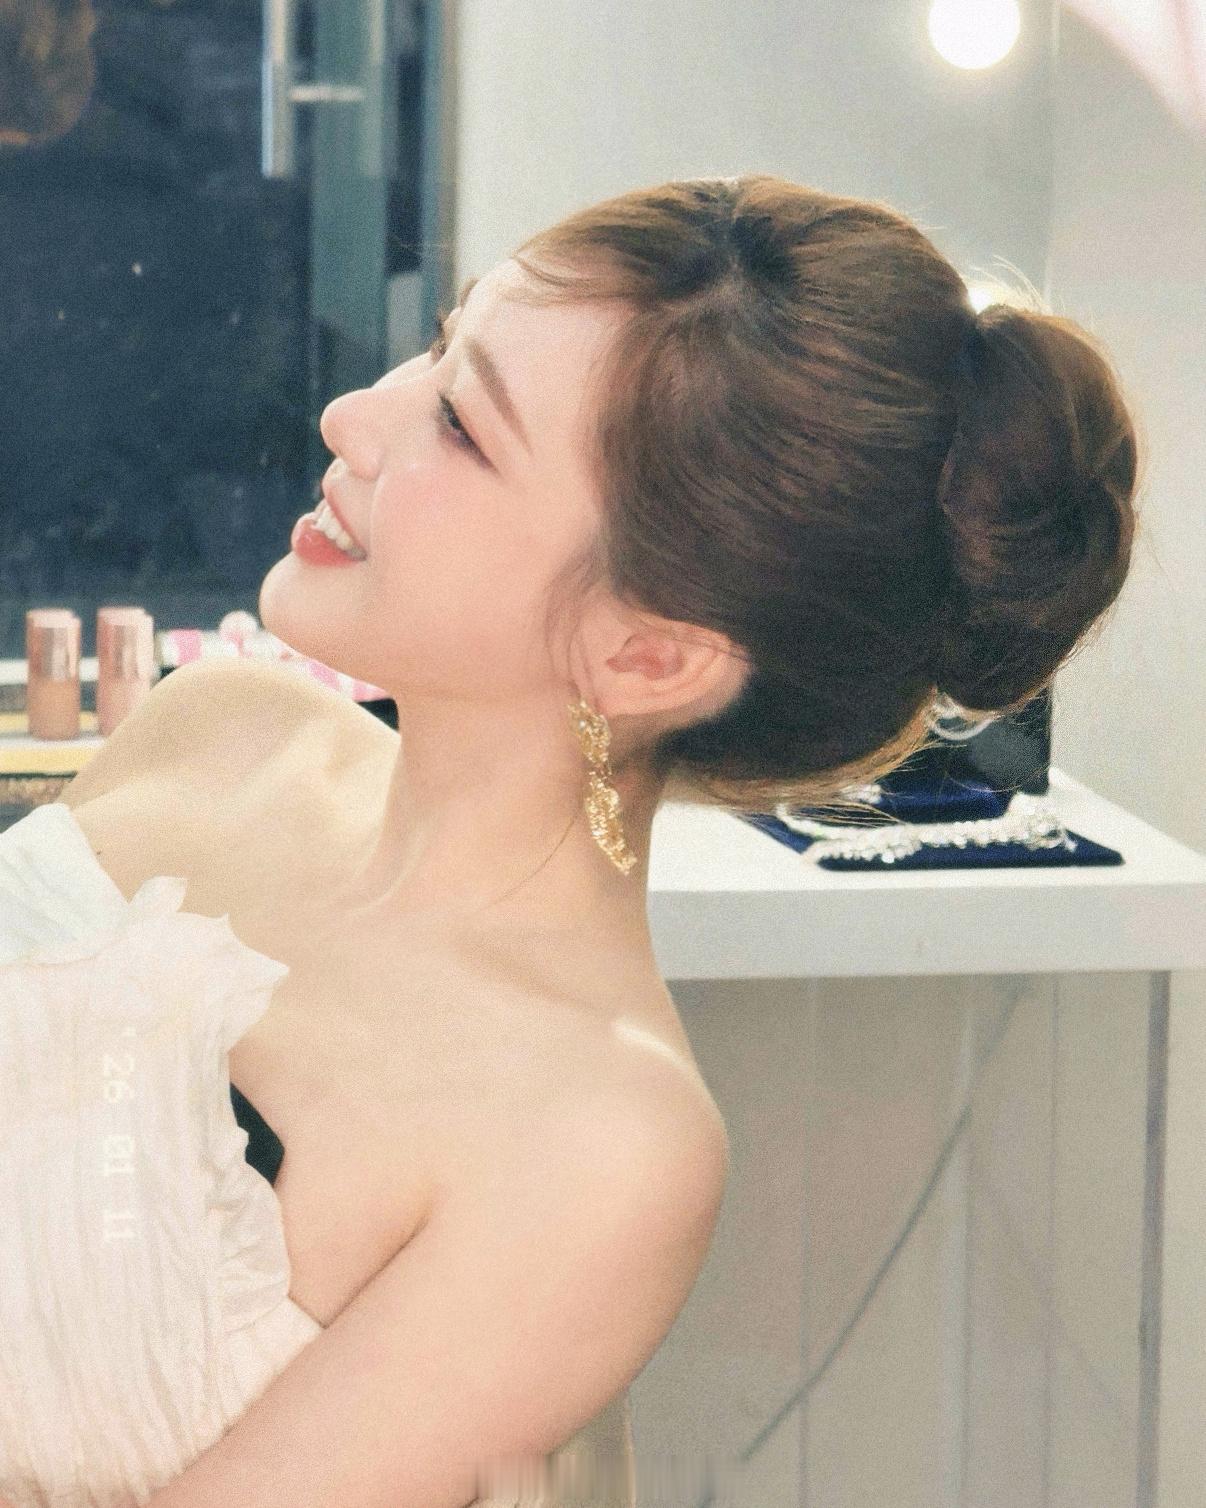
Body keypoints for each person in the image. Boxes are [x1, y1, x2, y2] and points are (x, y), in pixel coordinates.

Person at [0, 173, 1141, 1507]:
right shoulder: (219, 727)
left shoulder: (602, 1145)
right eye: (439, 347)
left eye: (462, 425)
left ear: (648, 654)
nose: (353, 416)